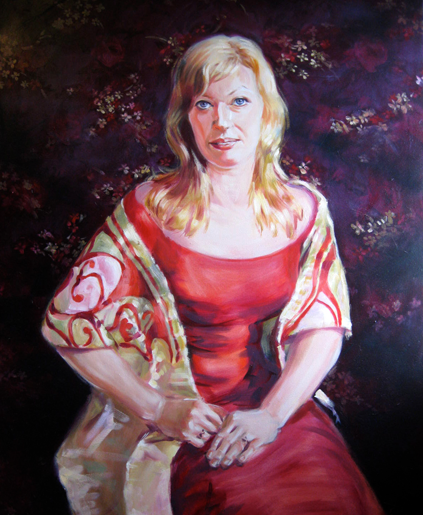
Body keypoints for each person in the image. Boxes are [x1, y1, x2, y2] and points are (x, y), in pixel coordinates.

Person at [42, 35, 384, 515]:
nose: (222, 122)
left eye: (239, 101)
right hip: (183, 430)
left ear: (266, 111)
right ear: (186, 118)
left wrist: (270, 415)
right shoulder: (150, 209)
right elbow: (66, 324)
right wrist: (158, 408)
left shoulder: (304, 209)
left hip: (277, 415)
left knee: (332, 496)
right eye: (204, 104)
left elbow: (323, 326)